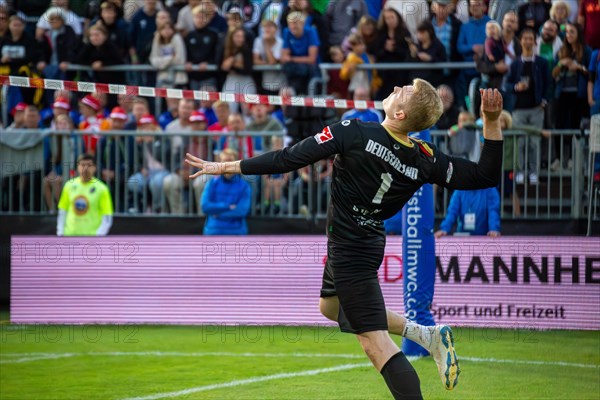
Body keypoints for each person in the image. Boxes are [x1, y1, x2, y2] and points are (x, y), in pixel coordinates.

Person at [185, 81, 505, 399]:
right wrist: (490, 122)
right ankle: (427, 335)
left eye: (403, 90)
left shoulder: (352, 131)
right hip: (362, 242)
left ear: (401, 112)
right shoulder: (424, 157)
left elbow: (288, 158)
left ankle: (426, 344)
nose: (395, 86)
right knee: (329, 307)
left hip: (351, 250)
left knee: (374, 344)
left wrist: (225, 165)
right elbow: (484, 176)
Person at [57, 153, 114, 236]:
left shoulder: (102, 188)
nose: (85, 168)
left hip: (91, 238)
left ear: (95, 167)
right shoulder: (69, 185)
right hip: (69, 236)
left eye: (89, 165)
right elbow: (62, 211)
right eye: (82, 165)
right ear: (77, 167)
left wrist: (98, 236)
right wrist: (60, 233)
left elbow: (107, 216)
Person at [201, 148, 251, 235]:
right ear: (219, 163)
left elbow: (242, 211)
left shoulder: (244, 186)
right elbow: (205, 206)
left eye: (230, 161)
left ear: (237, 163)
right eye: (224, 161)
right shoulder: (212, 183)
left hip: (236, 232)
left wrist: (218, 214)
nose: (227, 165)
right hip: (213, 231)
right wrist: (228, 206)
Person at [434, 187, 501, 238]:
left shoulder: (490, 189)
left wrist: (493, 229)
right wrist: (444, 229)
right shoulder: (459, 190)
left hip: (484, 238)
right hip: (463, 238)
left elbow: (493, 211)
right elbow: (452, 211)